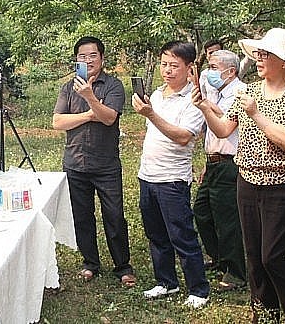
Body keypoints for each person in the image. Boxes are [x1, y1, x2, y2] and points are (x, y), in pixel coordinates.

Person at [192, 28, 285, 323]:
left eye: (266, 55)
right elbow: (223, 128)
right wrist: (204, 107)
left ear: (284, 62)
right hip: (247, 181)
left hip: (283, 186)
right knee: (254, 258)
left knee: (273, 256)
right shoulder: (248, 92)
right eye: (258, 54)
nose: (259, 59)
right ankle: (265, 315)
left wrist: (257, 114)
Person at [52, 36, 136, 287]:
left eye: (92, 56)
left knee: (114, 216)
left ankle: (122, 266)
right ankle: (90, 263)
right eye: (82, 56)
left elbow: (109, 118)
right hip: (75, 163)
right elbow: (57, 122)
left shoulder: (113, 85)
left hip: (105, 165)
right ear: (76, 59)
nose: (87, 60)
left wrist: (89, 97)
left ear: (102, 58)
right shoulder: (68, 87)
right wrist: (90, 114)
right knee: (82, 217)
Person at [132, 41, 210, 309]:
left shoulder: (194, 101)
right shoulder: (155, 95)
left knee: (182, 235)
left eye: (174, 66)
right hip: (148, 175)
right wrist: (151, 111)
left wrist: (151, 114)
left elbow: (183, 137)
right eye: (164, 64)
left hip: (172, 179)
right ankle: (166, 282)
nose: (167, 70)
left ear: (189, 69)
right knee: (156, 234)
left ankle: (199, 289)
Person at [191, 49, 247, 291]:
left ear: (230, 71)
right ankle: (218, 258)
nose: (209, 72)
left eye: (213, 67)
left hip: (231, 163)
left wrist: (205, 105)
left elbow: (226, 121)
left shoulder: (241, 92)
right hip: (213, 162)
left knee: (228, 219)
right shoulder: (219, 92)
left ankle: (235, 272)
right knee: (202, 212)